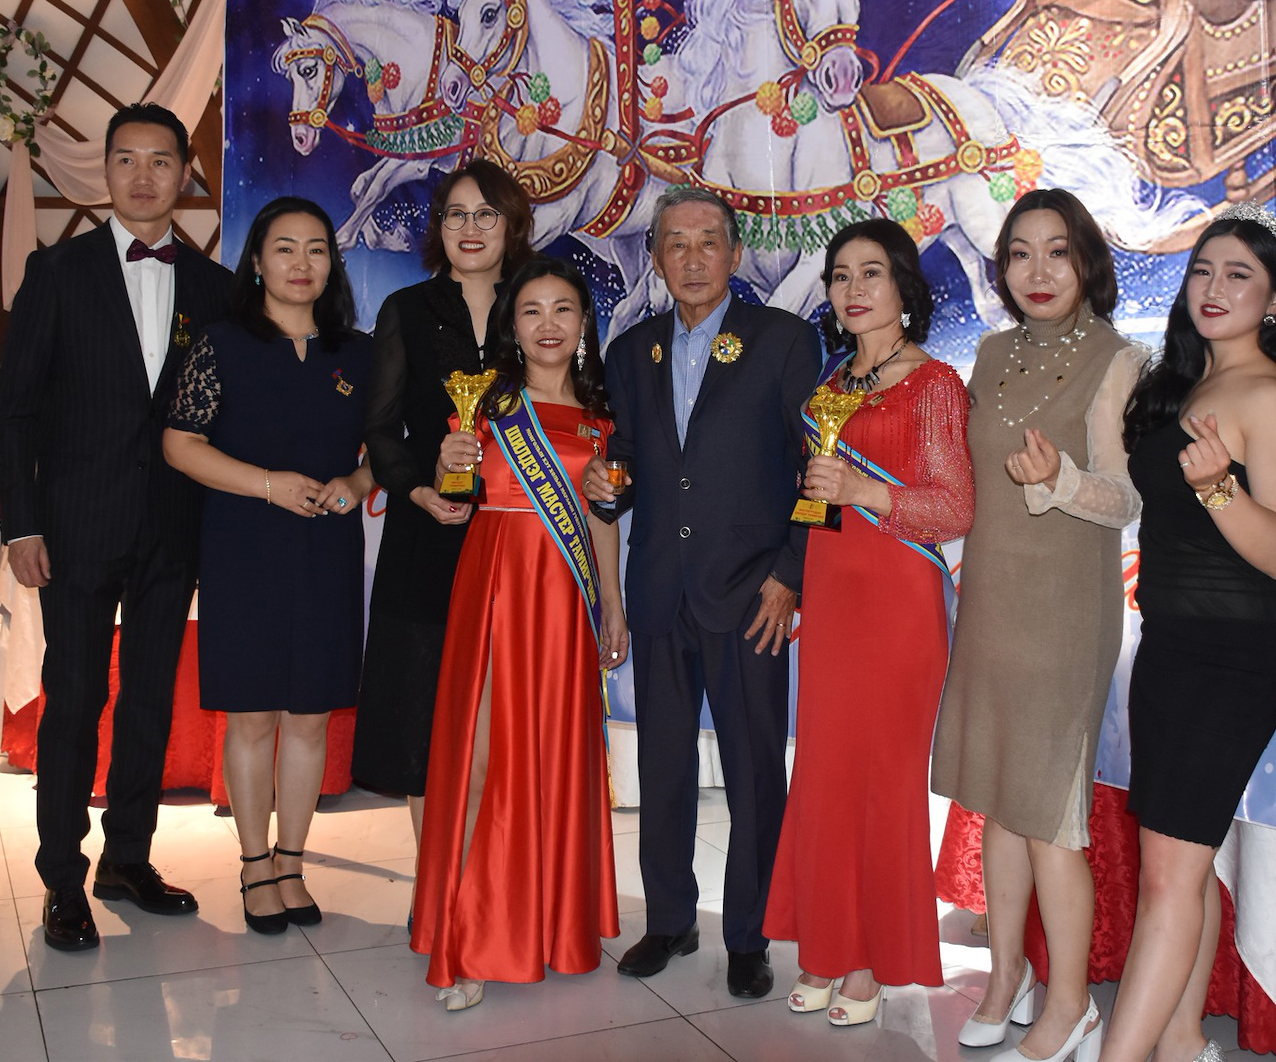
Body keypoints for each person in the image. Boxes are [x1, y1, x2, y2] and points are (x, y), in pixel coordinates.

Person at [0, 102, 232, 951]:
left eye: (160, 161)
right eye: (126, 159)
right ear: (105, 170)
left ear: (184, 174)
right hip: (76, 527)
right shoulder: (56, 272)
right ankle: (63, 875)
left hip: (173, 526)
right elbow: (17, 409)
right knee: (74, 699)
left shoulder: (215, 288)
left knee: (150, 697)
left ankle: (128, 856)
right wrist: (20, 524)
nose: (142, 176)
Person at [584, 186, 821, 1000]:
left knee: (754, 771)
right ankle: (670, 920)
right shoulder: (631, 351)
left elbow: (816, 468)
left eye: (707, 242)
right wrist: (606, 483)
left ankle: (749, 935)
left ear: (735, 252)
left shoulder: (783, 340)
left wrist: (790, 573)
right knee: (663, 766)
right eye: (675, 244)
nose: (691, 259)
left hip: (753, 594)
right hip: (659, 590)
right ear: (655, 257)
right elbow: (629, 461)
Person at [930, 189, 1149, 1058]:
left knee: (1052, 817)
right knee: (997, 799)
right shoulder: (989, 354)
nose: (1038, 271)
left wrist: (1060, 481)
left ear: (1086, 260)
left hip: (1065, 613)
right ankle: (1006, 973)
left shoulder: (1119, 359)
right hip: (991, 602)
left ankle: (1072, 1003)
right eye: (1019, 253)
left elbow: (1127, 498)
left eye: (1057, 251)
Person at [1105, 208, 1276, 1062]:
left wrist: (1221, 487)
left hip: (1230, 662)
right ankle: (1182, 1039)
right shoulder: (1182, 385)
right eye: (1203, 270)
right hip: (1169, 651)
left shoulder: (1271, 396)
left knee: (1170, 876)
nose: (1215, 288)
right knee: (1179, 869)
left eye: (1239, 274)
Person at [763, 220, 973, 1026]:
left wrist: (863, 490)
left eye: (871, 272)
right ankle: (826, 943)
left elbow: (955, 507)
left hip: (898, 602)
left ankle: (870, 962)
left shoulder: (934, 383)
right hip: (833, 594)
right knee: (824, 775)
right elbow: (816, 498)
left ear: (903, 287)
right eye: (840, 274)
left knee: (883, 782)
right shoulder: (832, 380)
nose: (853, 289)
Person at [410, 255, 628, 1008]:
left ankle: (542, 920)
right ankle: (466, 935)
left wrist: (612, 605)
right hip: (496, 589)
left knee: (549, 758)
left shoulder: (600, 420)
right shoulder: (485, 406)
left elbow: (601, 521)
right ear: (512, 324)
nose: (548, 324)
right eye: (531, 310)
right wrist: (448, 464)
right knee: (481, 759)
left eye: (563, 309)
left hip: (565, 600)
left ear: (584, 322)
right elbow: (454, 499)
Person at [161, 197, 372, 934]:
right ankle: (254, 866)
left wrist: (357, 483)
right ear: (256, 261)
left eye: (316, 249)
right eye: (285, 248)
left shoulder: (359, 351)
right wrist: (267, 484)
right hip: (243, 545)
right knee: (251, 716)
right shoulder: (221, 344)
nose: (300, 263)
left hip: (327, 550)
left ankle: (292, 861)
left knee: (310, 717)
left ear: (331, 264)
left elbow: (387, 449)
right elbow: (180, 444)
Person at [352, 160, 535, 854]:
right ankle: (436, 881)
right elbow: (379, 429)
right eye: (456, 214)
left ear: (512, 225)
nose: (470, 227)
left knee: (505, 713)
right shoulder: (405, 310)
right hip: (426, 535)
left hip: (520, 535)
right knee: (425, 713)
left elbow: (578, 415)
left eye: (486, 213)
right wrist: (418, 486)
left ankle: (492, 877)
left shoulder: (543, 304)